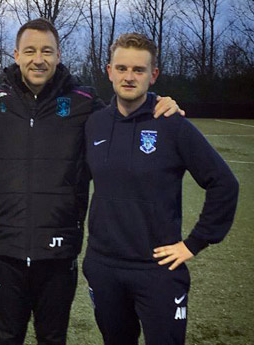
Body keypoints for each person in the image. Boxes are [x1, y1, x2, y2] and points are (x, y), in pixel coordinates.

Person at [0, 19, 181, 345]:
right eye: (30, 50)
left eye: (47, 51)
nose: (38, 59)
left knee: (52, 338)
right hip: (3, 257)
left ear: (59, 55)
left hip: (58, 259)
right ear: (16, 54)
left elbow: (124, 113)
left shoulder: (82, 101)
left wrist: (157, 100)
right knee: (6, 338)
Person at [82, 33, 239, 345]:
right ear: (109, 70)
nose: (129, 77)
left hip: (158, 270)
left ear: (153, 75)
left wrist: (194, 243)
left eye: (138, 70)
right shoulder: (94, 123)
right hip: (104, 266)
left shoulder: (171, 124)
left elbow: (224, 184)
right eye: (122, 68)